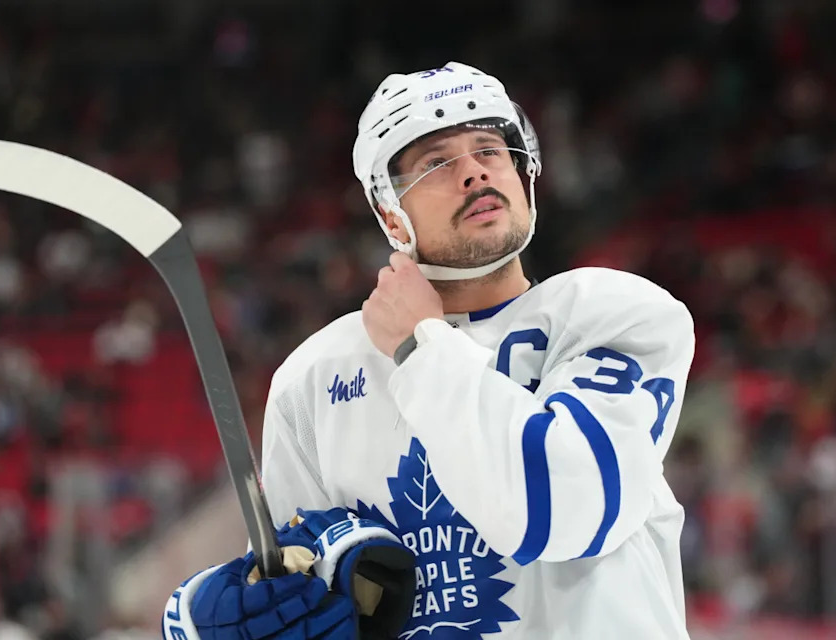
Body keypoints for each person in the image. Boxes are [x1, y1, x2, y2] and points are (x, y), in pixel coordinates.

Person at [163, 61, 695, 639]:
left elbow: (569, 512)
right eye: (437, 163)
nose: (475, 173)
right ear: (390, 212)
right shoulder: (316, 376)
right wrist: (232, 613)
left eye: (490, 150)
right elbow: (303, 585)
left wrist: (421, 345)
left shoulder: (611, 312)